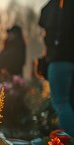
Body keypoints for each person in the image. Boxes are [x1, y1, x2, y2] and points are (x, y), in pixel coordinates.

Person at [39, 0, 74, 137]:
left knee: (61, 103)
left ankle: (69, 144)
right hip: (70, 58)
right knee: (70, 102)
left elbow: (48, 29)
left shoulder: (56, 7)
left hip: (60, 58)